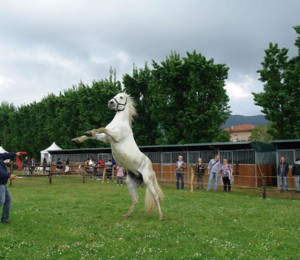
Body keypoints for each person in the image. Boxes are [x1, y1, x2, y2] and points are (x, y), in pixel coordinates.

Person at [0, 151, 21, 224]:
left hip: (2, 182)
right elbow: (0, 171)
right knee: (1, 200)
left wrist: (15, 154)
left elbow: (6, 155)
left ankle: (4, 219)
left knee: (8, 200)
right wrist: (9, 175)